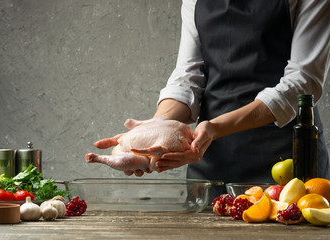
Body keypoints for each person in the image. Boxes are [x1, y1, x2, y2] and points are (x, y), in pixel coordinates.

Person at [124, 0, 330, 192]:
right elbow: (188, 77)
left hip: (287, 156)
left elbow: (303, 82)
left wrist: (216, 127)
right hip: (211, 157)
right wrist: (156, 128)